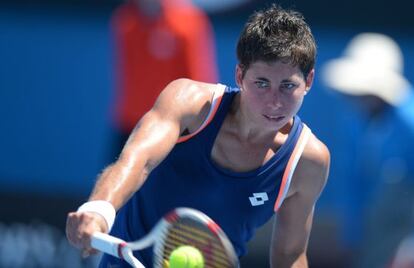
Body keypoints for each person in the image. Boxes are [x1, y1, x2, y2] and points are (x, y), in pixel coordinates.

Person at [66, 4, 330, 267]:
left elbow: (290, 254)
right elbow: (136, 161)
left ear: (308, 82)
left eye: (288, 86)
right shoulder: (189, 104)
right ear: (240, 76)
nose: (274, 102)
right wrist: (98, 210)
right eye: (261, 83)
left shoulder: (308, 161)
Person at [322, 33, 414, 267]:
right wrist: (351, 236)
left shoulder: (410, 122)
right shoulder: (354, 122)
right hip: (374, 232)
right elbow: (353, 181)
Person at [110, 0, 218, 152]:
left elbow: (199, 81)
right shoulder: (124, 20)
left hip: (173, 127)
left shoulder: (189, 21)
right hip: (130, 124)